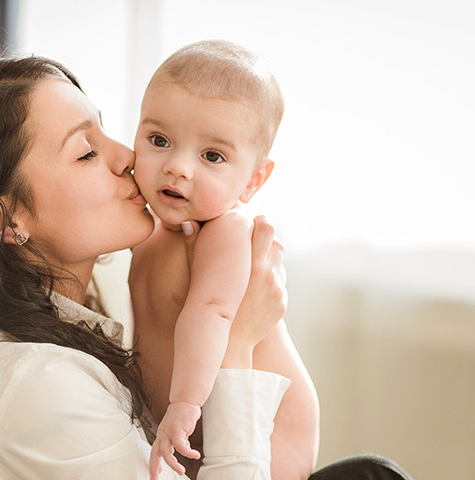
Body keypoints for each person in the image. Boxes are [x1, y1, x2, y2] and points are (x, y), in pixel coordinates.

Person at [0, 53, 413, 480]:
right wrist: (238, 339)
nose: (129, 158)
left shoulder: (0, 329)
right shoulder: (41, 385)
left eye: (110, 131)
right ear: (7, 220)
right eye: (86, 151)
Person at [129, 40, 318, 480]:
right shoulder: (147, 228)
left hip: (271, 433)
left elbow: (211, 314)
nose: (178, 167)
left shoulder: (227, 232)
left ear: (252, 180)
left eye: (211, 156)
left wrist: (184, 404)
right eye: (159, 140)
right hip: (192, 427)